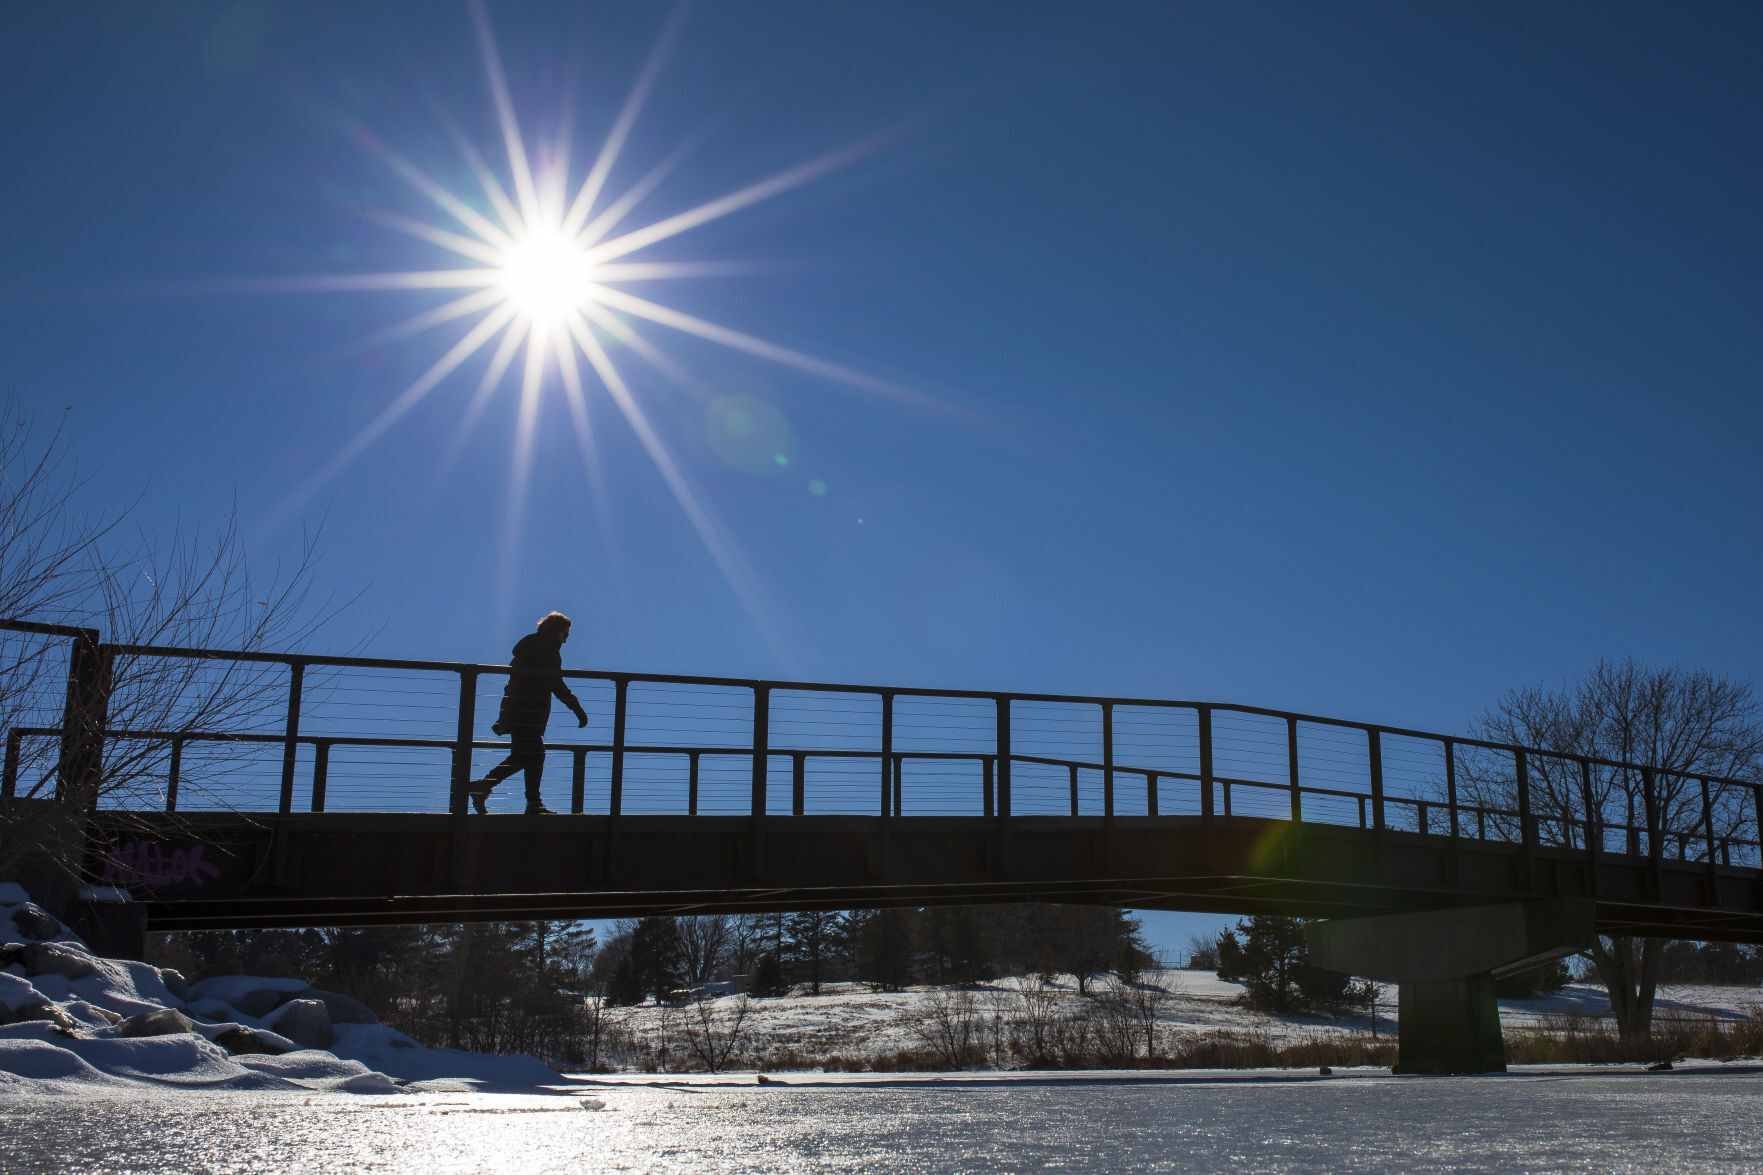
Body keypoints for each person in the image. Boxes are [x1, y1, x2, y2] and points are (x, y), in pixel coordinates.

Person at [469, 611, 587, 814]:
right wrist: (577, 709)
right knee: (532, 755)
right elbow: (556, 684)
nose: (566, 640)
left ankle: (524, 800)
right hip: (528, 712)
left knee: (527, 755)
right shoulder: (547, 649)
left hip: (518, 710)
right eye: (565, 635)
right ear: (555, 631)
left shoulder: (531, 646)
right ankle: (486, 787)